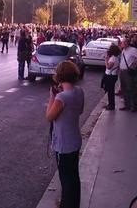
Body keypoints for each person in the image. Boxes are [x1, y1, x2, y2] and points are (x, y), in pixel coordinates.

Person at [46, 61, 84, 208]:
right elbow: (80, 111)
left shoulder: (61, 98)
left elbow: (49, 117)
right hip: (75, 140)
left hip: (63, 144)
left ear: (60, 77)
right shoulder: (79, 91)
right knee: (74, 176)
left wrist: (51, 97)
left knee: (65, 179)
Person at [120, 38, 137, 112]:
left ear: (127, 43)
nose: (122, 44)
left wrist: (136, 64)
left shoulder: (133, 50)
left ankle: (134, 106)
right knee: (124, 89)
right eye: (122, 42)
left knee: (131, 89)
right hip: (122, 71)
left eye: (123, 42)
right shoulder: (123, 50)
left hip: (128, 71)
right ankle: (127, 105)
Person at [103, 44, 121, 110]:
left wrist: (106, 60)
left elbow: (108, 67)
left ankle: (111, 105)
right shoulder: (116, 58)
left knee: (110, 91)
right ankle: (110, 104)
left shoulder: (113, 58)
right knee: (110, 90)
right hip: (113, 75)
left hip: (110, 76)